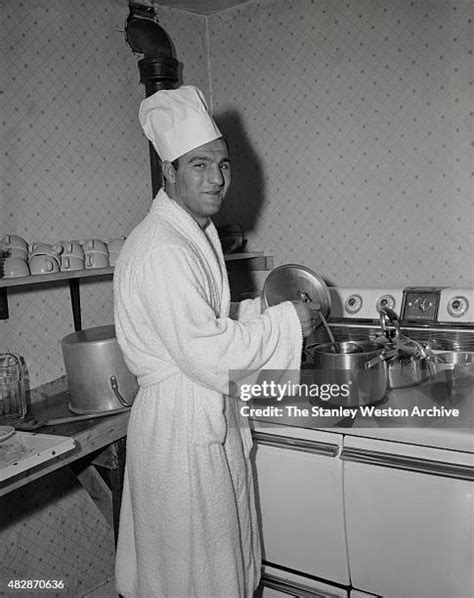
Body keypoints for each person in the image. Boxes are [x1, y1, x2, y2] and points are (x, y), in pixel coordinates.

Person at [113, 85, 317, 598]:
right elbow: (206, 350)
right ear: (170, 172)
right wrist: (288, 324)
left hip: (195, 411)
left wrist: (264, 313)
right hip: (180, 428)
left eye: (222, 165)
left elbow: (203, 322)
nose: (217, 178)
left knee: (210, 564)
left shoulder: (188, 232)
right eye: (200, 165)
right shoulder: (162, 248)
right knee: (193, 575)